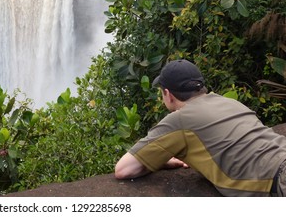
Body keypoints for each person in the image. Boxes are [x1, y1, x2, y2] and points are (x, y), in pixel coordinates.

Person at [115, 59, 286, 196]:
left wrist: (159, 160)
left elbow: (124, 169)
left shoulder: (179, 120)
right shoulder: (229, 102)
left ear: (167, 94)